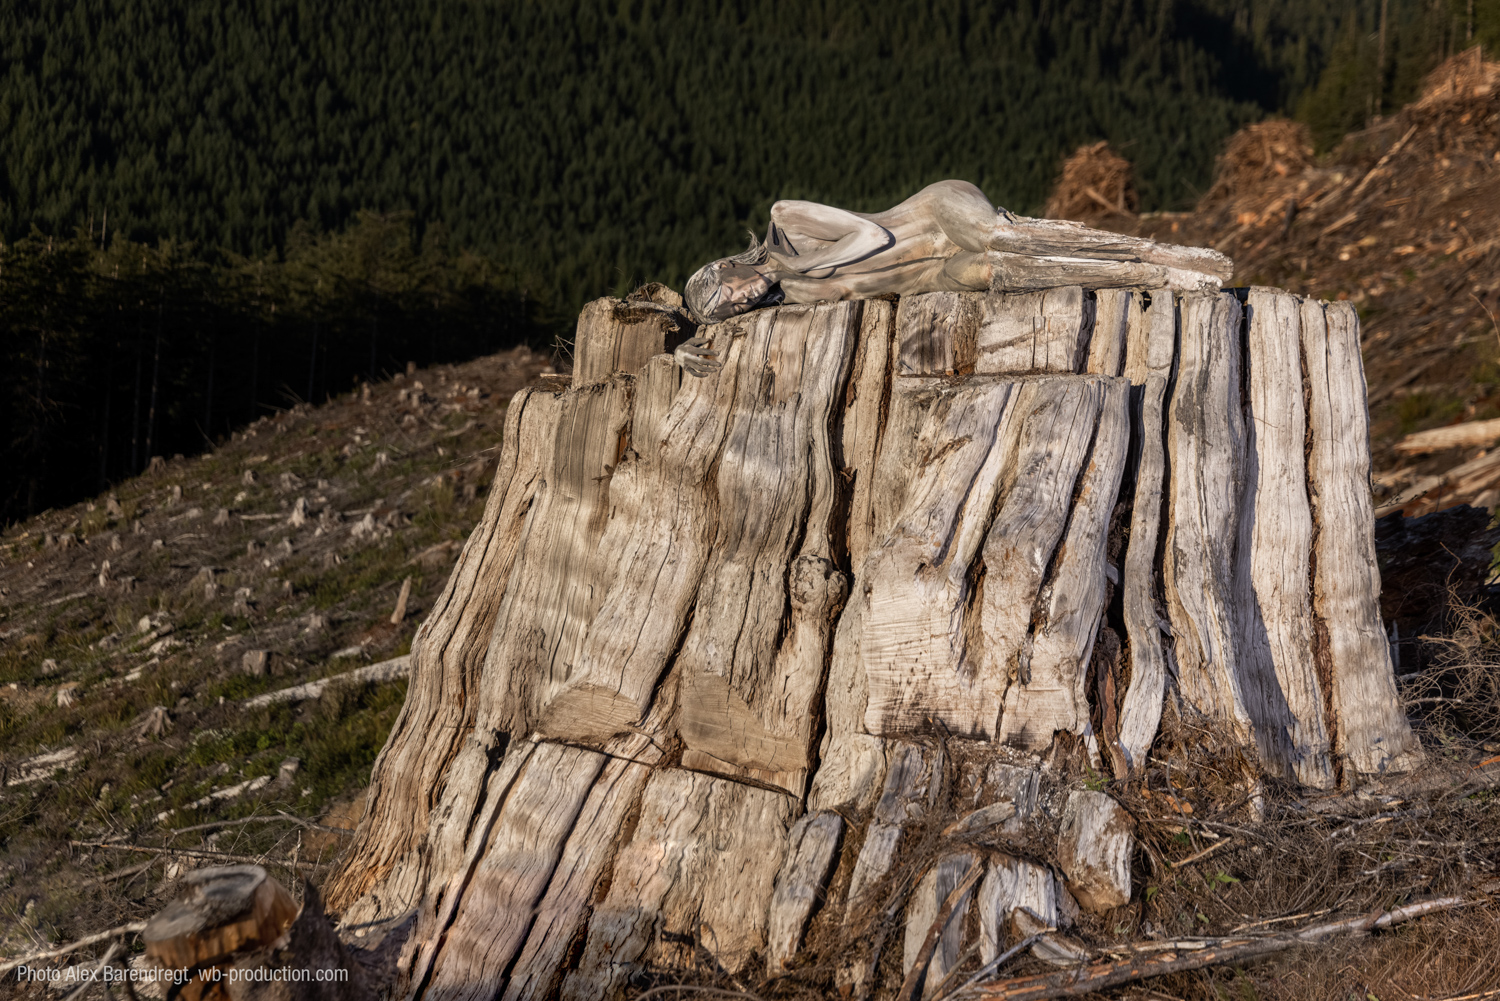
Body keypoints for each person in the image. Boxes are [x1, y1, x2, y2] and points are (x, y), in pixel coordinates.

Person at [676, 179, 1231, 376]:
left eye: (731, 292)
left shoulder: (786, 224)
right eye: (733, 309)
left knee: (1001, 239)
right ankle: (1135, 277)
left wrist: (796, 264)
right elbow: (720, 348)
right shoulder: (786, 300)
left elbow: (869, 237)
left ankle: (1154, 258)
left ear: (729, 265)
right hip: (934, 274)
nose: (742, 301)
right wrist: (678, 354)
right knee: (1002, 272)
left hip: (935, 214)